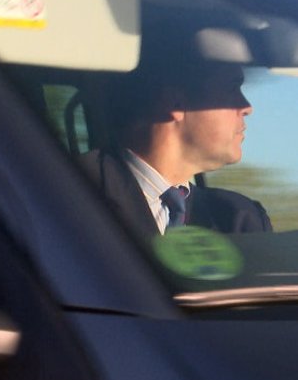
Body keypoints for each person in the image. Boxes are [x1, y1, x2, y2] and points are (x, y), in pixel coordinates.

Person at [80, 29, 272, 242]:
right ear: (176, 103)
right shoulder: (73, 191)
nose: (247, 107)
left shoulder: (240, 220)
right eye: (232, 88)